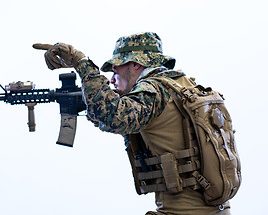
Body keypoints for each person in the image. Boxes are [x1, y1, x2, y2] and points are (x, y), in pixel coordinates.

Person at [33, 32, 232, 215]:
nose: (112, 79)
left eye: (115, 69)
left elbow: (111, 116)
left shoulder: (153, 90)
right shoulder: (181, 85)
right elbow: (130, 120)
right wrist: (89, 99)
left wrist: (82, 63)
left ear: (135, 64)